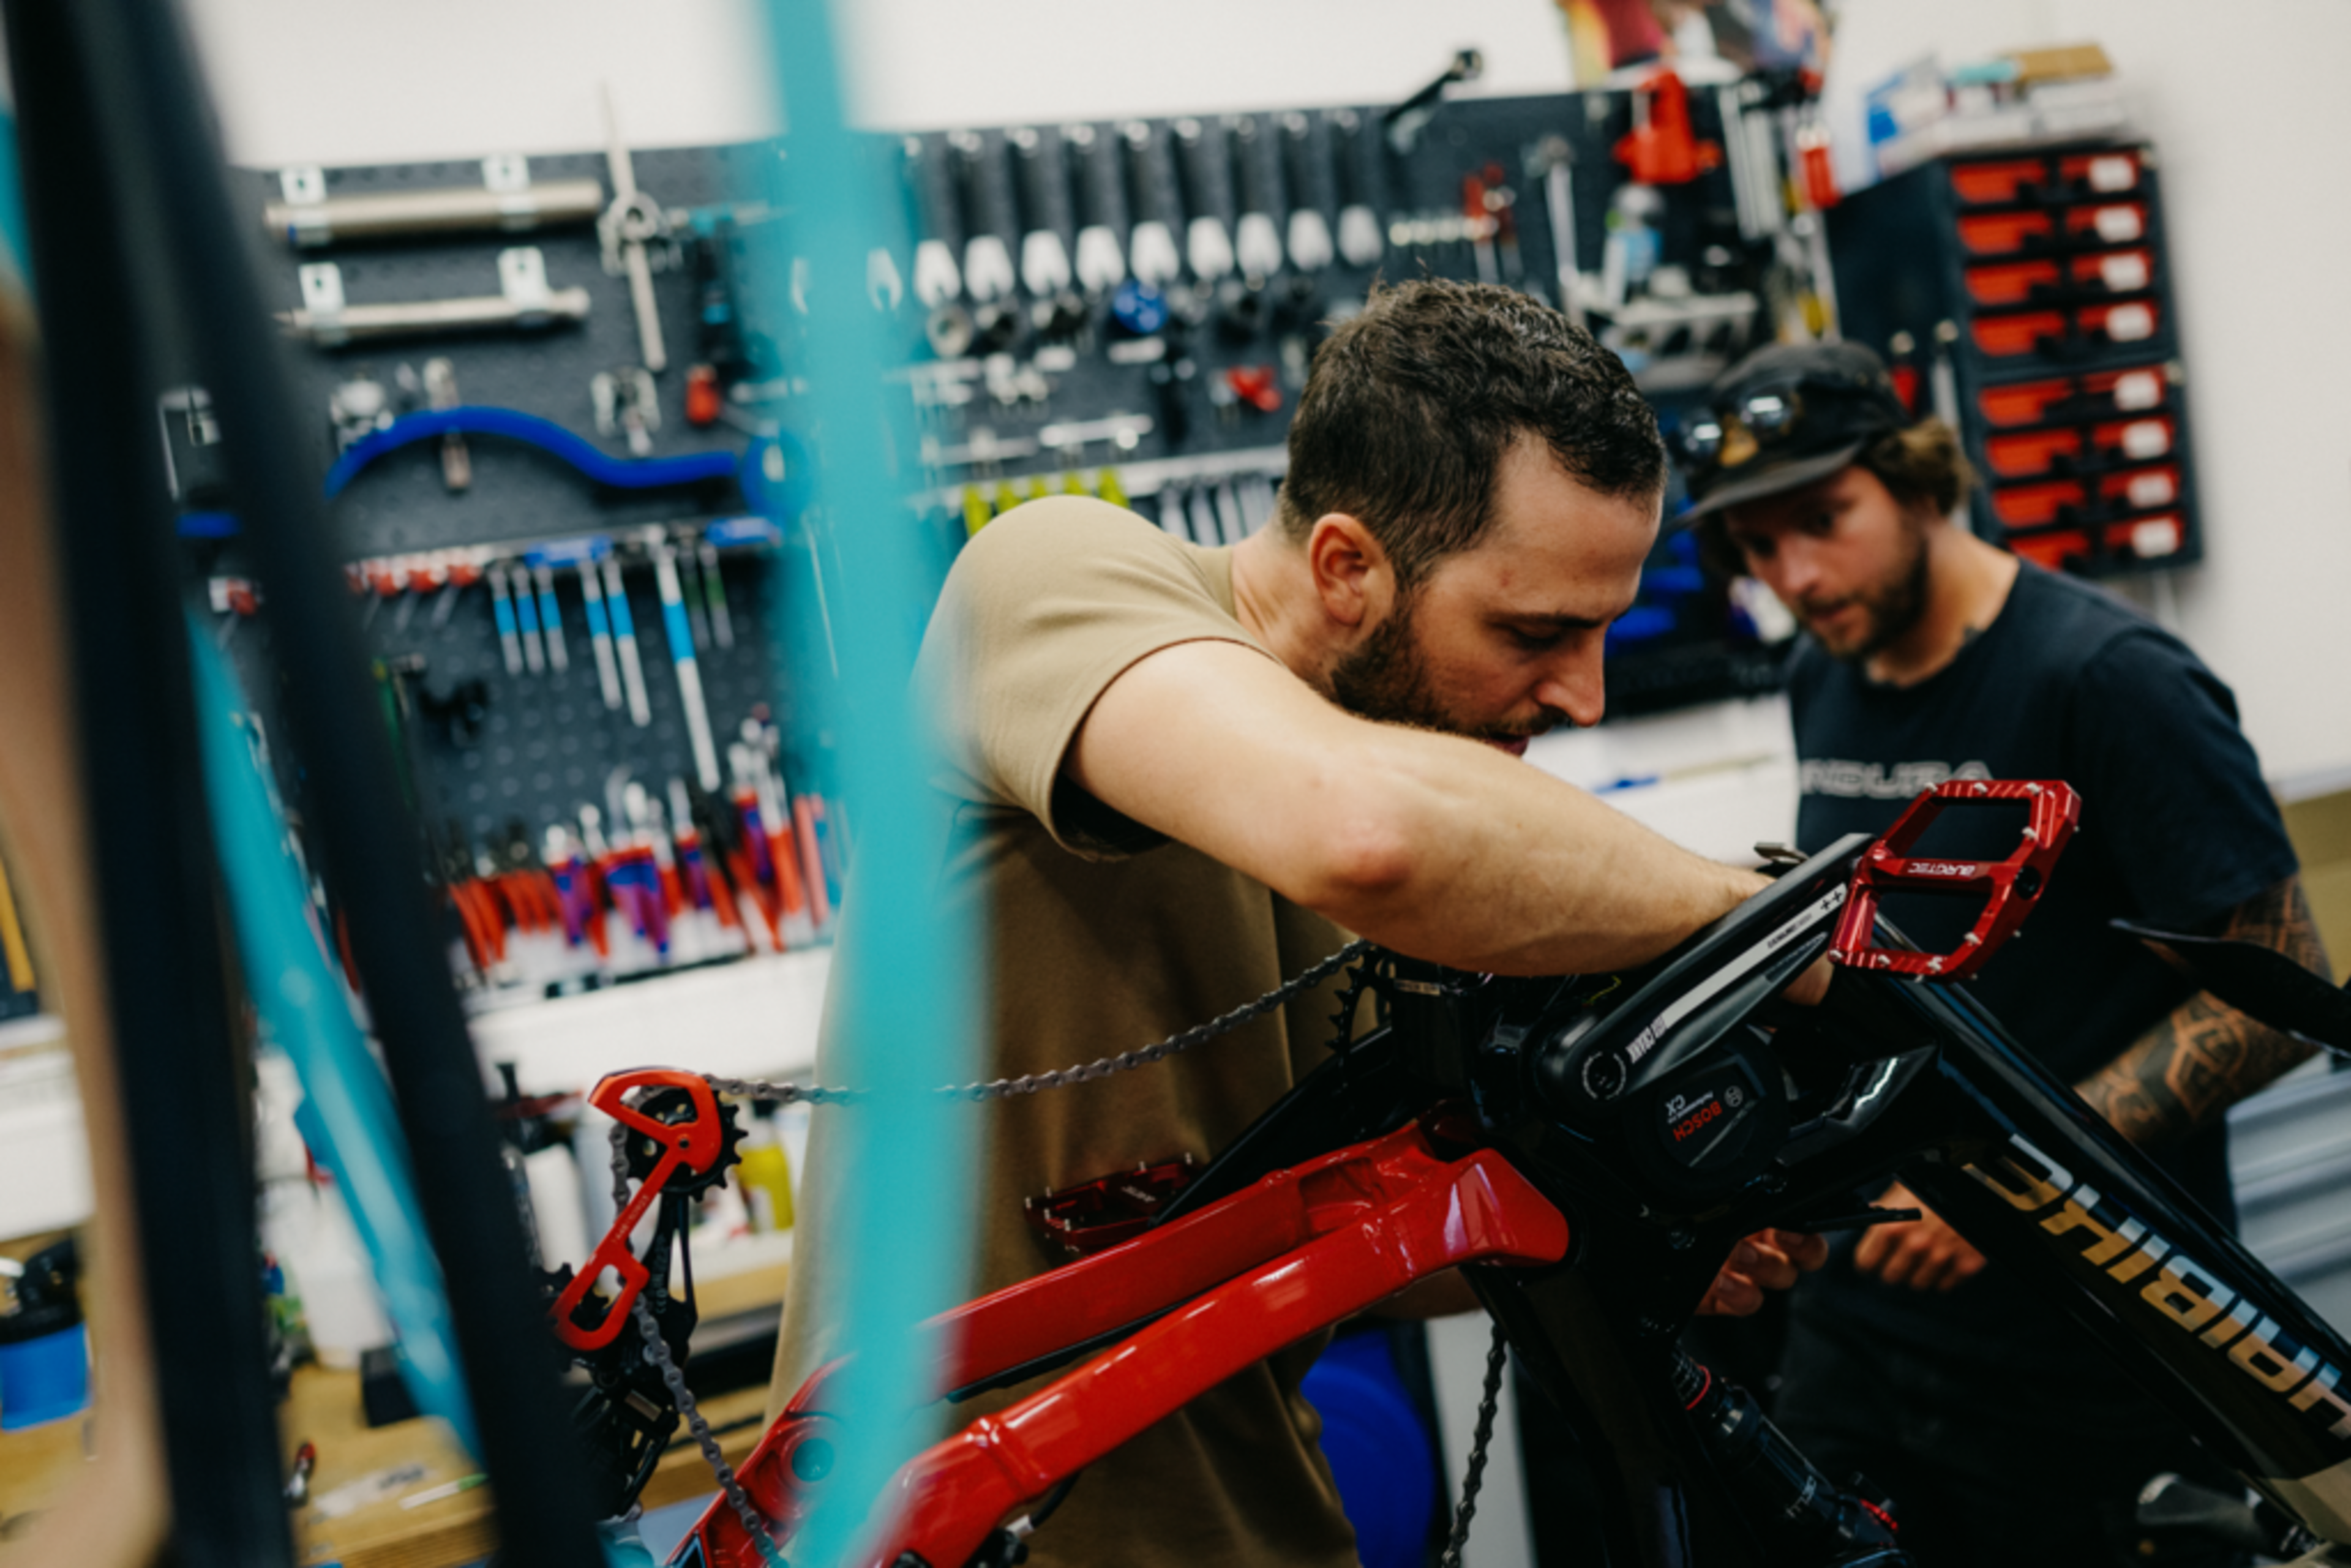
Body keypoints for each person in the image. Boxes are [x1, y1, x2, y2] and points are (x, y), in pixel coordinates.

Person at [770, 279, 1829, 1568]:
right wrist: (1763, 918)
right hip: (941, 1534)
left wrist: (1621, 1223)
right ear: (1345, 567)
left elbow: (1354, 1242)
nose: (1588, 695)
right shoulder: (1058, 572)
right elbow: (1360, 832)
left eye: (1600, 630)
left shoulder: (1425, 806)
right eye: (1535, 630)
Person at [1684, 340, 2331, 1567]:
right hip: (1863, 1322)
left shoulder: (2107, 678)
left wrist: (2014, 1176)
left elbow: (2278, 996)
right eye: (1762, 547)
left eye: (1825, 518)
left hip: (2088, 1345)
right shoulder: (1822, 672)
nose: (1799, 574)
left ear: (1922, 482)